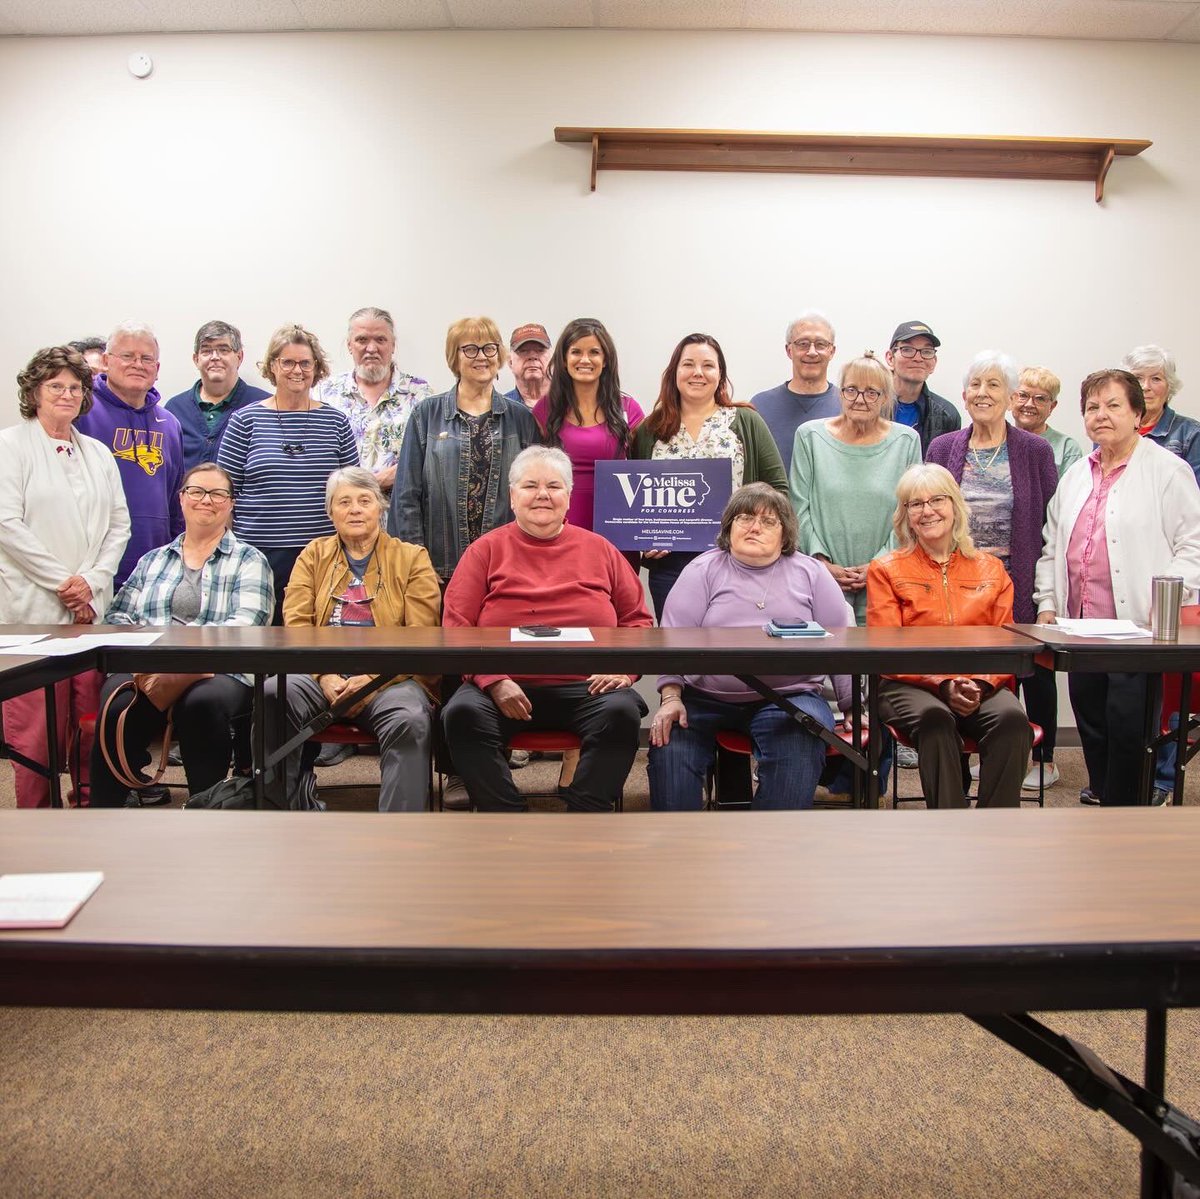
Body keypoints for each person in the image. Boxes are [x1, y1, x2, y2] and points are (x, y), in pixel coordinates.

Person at [441, 446, 651, 813]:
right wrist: (492, 680)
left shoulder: (601, 549)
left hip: (588, 686)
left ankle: (586, 810)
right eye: (530, 485)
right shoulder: (484, 551)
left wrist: (624, 670)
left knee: (622, 712)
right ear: (512, 496)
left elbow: (637, 620)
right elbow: (457, 626)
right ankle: (505, 814)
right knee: (460, 714)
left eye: (554, 486)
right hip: (503, 685)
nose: (542, 494)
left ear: (568, 497)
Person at [1035, 369, 1200, 807]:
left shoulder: (1167, 470)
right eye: (1091, 407)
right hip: (1080, 629)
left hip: (1138, 629)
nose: (1100, 415)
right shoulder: (1075, 474)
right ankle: (1105, 797)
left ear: (1137, 413)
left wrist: (1167, 599)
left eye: (1112, 405)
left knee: (1129, 726)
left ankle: (1127, 810)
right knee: (1092, 722)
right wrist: (1048, 603)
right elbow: (1053, 544)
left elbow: (1194, 543)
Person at [647, 483, 852, 810]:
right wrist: (671, 697)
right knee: (669, 750)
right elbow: (673, 640)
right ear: (728, 529)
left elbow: (842, 642)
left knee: (798, 747)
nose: (755, 527)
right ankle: (677, 854)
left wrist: (853, 706)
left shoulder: (811, 573)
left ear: (785, 535)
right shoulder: (701, 570)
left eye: (768, 521)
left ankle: (766, 852)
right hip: (704, 698)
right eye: (744, 518)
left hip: (790, 696)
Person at [90, 463, 274, 808]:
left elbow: (246, 623)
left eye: (218, 493)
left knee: (200, 704)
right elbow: (117, 618)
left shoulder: (250, 560)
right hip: (148, 667)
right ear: (181, 499)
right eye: (197, 491)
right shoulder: (153, 560)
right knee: (116, 704)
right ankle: (103, 814)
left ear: (231, 503)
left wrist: (179, 659)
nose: (207, 500)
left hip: (220, 670)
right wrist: (156, 661)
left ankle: (206, 809)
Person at [263, 468, 441, 812]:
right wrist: (324, 675)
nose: (355, 509)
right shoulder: (312, 555)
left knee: (410, 717)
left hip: (391, 677)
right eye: (344, 502)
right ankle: (280, 811)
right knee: (274, 695)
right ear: (331, 512)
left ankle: (401, 835)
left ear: (381, 508)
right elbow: (296, 625)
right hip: (320, 672)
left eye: (365, 500)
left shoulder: (412, 558)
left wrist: (373, 681)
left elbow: (422, 635)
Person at [0, 346, 131, 808]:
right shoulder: (10, 446)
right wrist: (65, 583)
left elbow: (120, 525)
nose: (67, 394)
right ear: (34, 392)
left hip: (90, 611)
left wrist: (90, 584)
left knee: (89, 724)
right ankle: (37, 818)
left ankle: (89, 810)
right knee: (35, 734)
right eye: (56, 385)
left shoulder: (97, 451)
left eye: (75, 387)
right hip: (32, 611)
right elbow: (6, 524)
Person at [867, 465, 1032, 809]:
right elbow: (886, 649)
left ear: (955, 506)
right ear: (905, 516)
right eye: (915, 504)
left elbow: (1005, 643)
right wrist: (943, 683)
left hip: (981, 681)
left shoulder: (991, 568)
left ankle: (996, 828)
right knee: (936, 720)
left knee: (1013, 720)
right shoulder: (885, 569)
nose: (927, 511)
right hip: (908, 684)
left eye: (937, 500)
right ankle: (950, 826)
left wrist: (981, 684)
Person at [633, 332, 787, 620]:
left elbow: (778, 490)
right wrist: (644, 537)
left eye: (708, 365)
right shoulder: (649, 430)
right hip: (671, 567)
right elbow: (634, 498)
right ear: (674, 372)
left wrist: (759, 535)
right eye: (688, 364)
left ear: (720, 374)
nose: (698, 373)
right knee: (677, 653)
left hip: (736, 561)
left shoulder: (745, 422)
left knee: (734, 650)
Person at [217, 323, 358, 623]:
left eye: (305, 363)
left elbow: (352, 492)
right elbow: (224, 494)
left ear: (316, 368)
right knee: (259, 639)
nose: (298, 370)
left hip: (323, 554)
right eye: (288, 362)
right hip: (257, 555)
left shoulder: (336, 422)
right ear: (272, 366)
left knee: (315, 639)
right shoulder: (245, 421)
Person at [390, 316, 540, 586]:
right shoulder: (427, 415)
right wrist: (416, 560)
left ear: (499, 355)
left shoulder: (521, 420)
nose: (481, 357)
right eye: (470, 348)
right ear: (454, 357)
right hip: (439, 569)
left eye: (489, 348)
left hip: (505, 568)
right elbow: (406, 495)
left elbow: (534, 494)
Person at [926, 351, 1057, 631]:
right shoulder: (941, 448)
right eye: (975, 384)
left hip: (1014, 589)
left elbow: (1052, 529)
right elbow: (924, 520)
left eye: (993, 385)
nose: (982, 393)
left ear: (1011, 398)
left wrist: (1047, 599)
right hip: (951, 590)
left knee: (1013, 670)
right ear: (964, 396)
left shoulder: (1036, 451)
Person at [790, 352, 921, 623]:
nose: (860, 400)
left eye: (871, 392)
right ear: (840, 393)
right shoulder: (810, 436)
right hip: (820, 579)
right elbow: (798, 506)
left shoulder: (907, 441)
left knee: (881, 661)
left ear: (886, 398)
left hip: (887, 581)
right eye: (851, 390)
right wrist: (821, 563)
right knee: (826, 661)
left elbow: (912, 510)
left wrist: (879, 564)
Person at [74, 321, 185, 588]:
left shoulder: (169, 424)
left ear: (157, 369)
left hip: (154, 572)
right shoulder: (80, 412)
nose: (137, 364)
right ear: (106, 361)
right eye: (127, 356)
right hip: (92, 570)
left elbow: (175, 502)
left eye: (146, 358)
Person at [533, 317, 643, 535]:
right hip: (560, 525)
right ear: (564, 359)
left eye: (594, 352)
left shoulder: (629, 409)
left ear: (606, 360)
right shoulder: (544, 410)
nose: (585, 359)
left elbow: (646, 476)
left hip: (618, 526)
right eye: (576, 352)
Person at [317, 306, 432, 501]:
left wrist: (393, 475)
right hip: (341, 520)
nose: (371, 348)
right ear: (349, 345)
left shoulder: (421, 394)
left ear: (393, 345)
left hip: (401, 519)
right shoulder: (324, 393)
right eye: (362, 340)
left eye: (380, 339)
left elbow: (432, 456)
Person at [164, 320, 271, 470]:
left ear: (239, 357)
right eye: (206, 351)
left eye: (223, 350)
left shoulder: (264, 406)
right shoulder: (174, 409)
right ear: (196, 359)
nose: (215, 357)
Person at [749, 311, 841, 474]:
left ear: (832, 351)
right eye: (803, 343)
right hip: (774, 500)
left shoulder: (847, 405)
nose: (812, 352)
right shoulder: (760, 406)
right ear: (789, 350)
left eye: (820, 344)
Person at [1121, 345, 1200, 487]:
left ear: (1169, 386)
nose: (1146, 386)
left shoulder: (1191, 433)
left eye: (1156, 379)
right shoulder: (1111, 429)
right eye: (1138, 378)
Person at [885, 320, 961, 456]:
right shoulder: (870, 405)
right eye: (907, 349)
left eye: (926, 351)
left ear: (933, 363)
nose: (918, 358)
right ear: (890, 358)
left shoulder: (947, 416)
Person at [1010, 367, 1083, 476]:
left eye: (1040, 398)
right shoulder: (996, 440)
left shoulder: (1067, 448)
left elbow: (1069, 492)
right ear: (1011, 399)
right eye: (1023, 395)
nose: (1029, 404)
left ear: (1052, 406)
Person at [505, 323, 552, 409]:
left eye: (540, 350)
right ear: (510, 362)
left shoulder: (572, 404)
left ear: (553, 360)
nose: (532, 356)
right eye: (523, 351)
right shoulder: (500, 410)